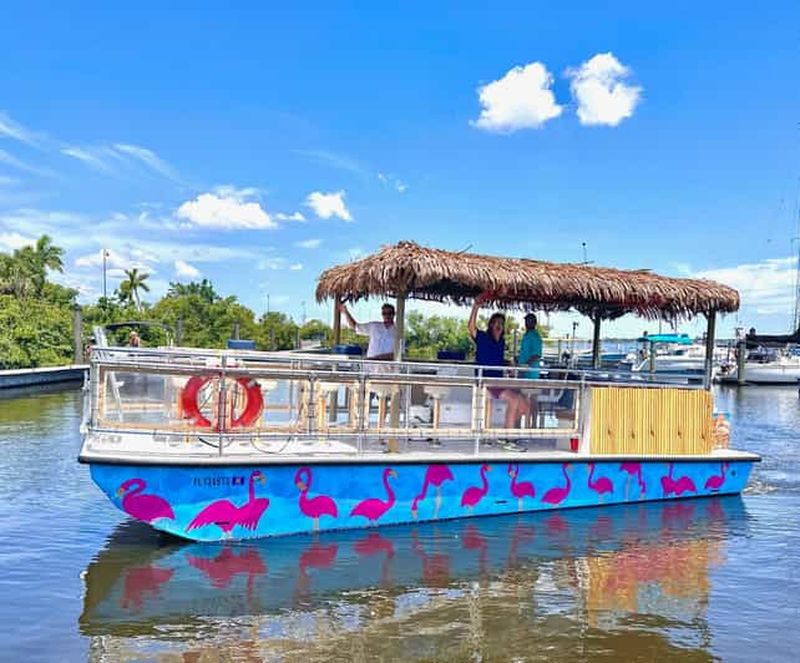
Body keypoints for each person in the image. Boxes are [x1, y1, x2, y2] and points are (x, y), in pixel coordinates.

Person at [468, 291, 531, 448]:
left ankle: (505, 433)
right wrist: (476, 306)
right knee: (514, 400)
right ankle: (509, 440)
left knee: (524, 406)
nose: (499, 326)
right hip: (486, 381)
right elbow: (471, 327)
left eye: (501, 325)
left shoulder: (501, 343)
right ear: (490, 325)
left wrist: (508, 364)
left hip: (499, 381)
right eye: (496, 323)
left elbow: (497, 360)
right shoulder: (482, 337)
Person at [518, 313, 543, 379]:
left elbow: (537, 355)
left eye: (530, 321)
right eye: (526, 321)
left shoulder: (535, 336)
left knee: (528, 389)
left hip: (531, 374)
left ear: (535, 323)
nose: (527, 323)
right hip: (522, 372)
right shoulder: (526, 335)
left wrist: (526, 365)